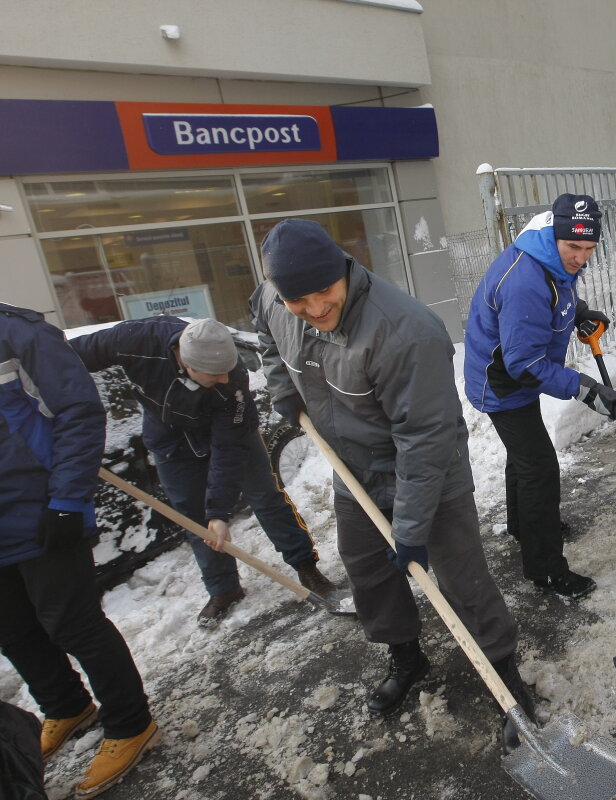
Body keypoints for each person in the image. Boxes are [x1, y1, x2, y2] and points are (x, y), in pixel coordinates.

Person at [250, 219, 536, 744]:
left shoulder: (405, 331)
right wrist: (282, 392)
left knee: (458, 575)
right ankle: (406, 655)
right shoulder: (274, 301)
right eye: (299, 299)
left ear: (343, 270)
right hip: (351, 465)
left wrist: (409, 528)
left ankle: (506, 676)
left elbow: (424, 439)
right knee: (367, 571)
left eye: (324, 292)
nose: (314, 308)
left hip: (429, 464)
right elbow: (266, 335)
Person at [71, 317, 337, 627]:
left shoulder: (232, 384)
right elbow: (61, 354)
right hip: (169, 437)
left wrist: (220, 513)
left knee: (265, 497)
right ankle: (224, 589)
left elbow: (227, 452)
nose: (225, 379)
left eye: (228, 370)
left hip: (232, 436)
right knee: (193, 516)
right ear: (185, 362)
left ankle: (306, 566)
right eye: (215, 374)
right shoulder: (135, 341)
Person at [0, 303, 158, 798]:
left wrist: (68, 498)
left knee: (73, 623)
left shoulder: (17, 335)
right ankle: (66, 705)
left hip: (41, 509)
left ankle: (131, 723)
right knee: (12, 629)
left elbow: (79, 410)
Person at [463, 193, 616, 600]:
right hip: (502, 381)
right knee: (540, 470)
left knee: (526, 461)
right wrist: (585, 390)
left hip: (511, 372)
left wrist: (579, 312)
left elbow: (558, 290)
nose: (581, 258)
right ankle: (546, 569)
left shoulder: (548, 255)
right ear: (555, 235)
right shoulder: (524, 280)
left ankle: (524, 526)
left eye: (589, 249)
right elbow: (525, 364)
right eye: (573, 247)